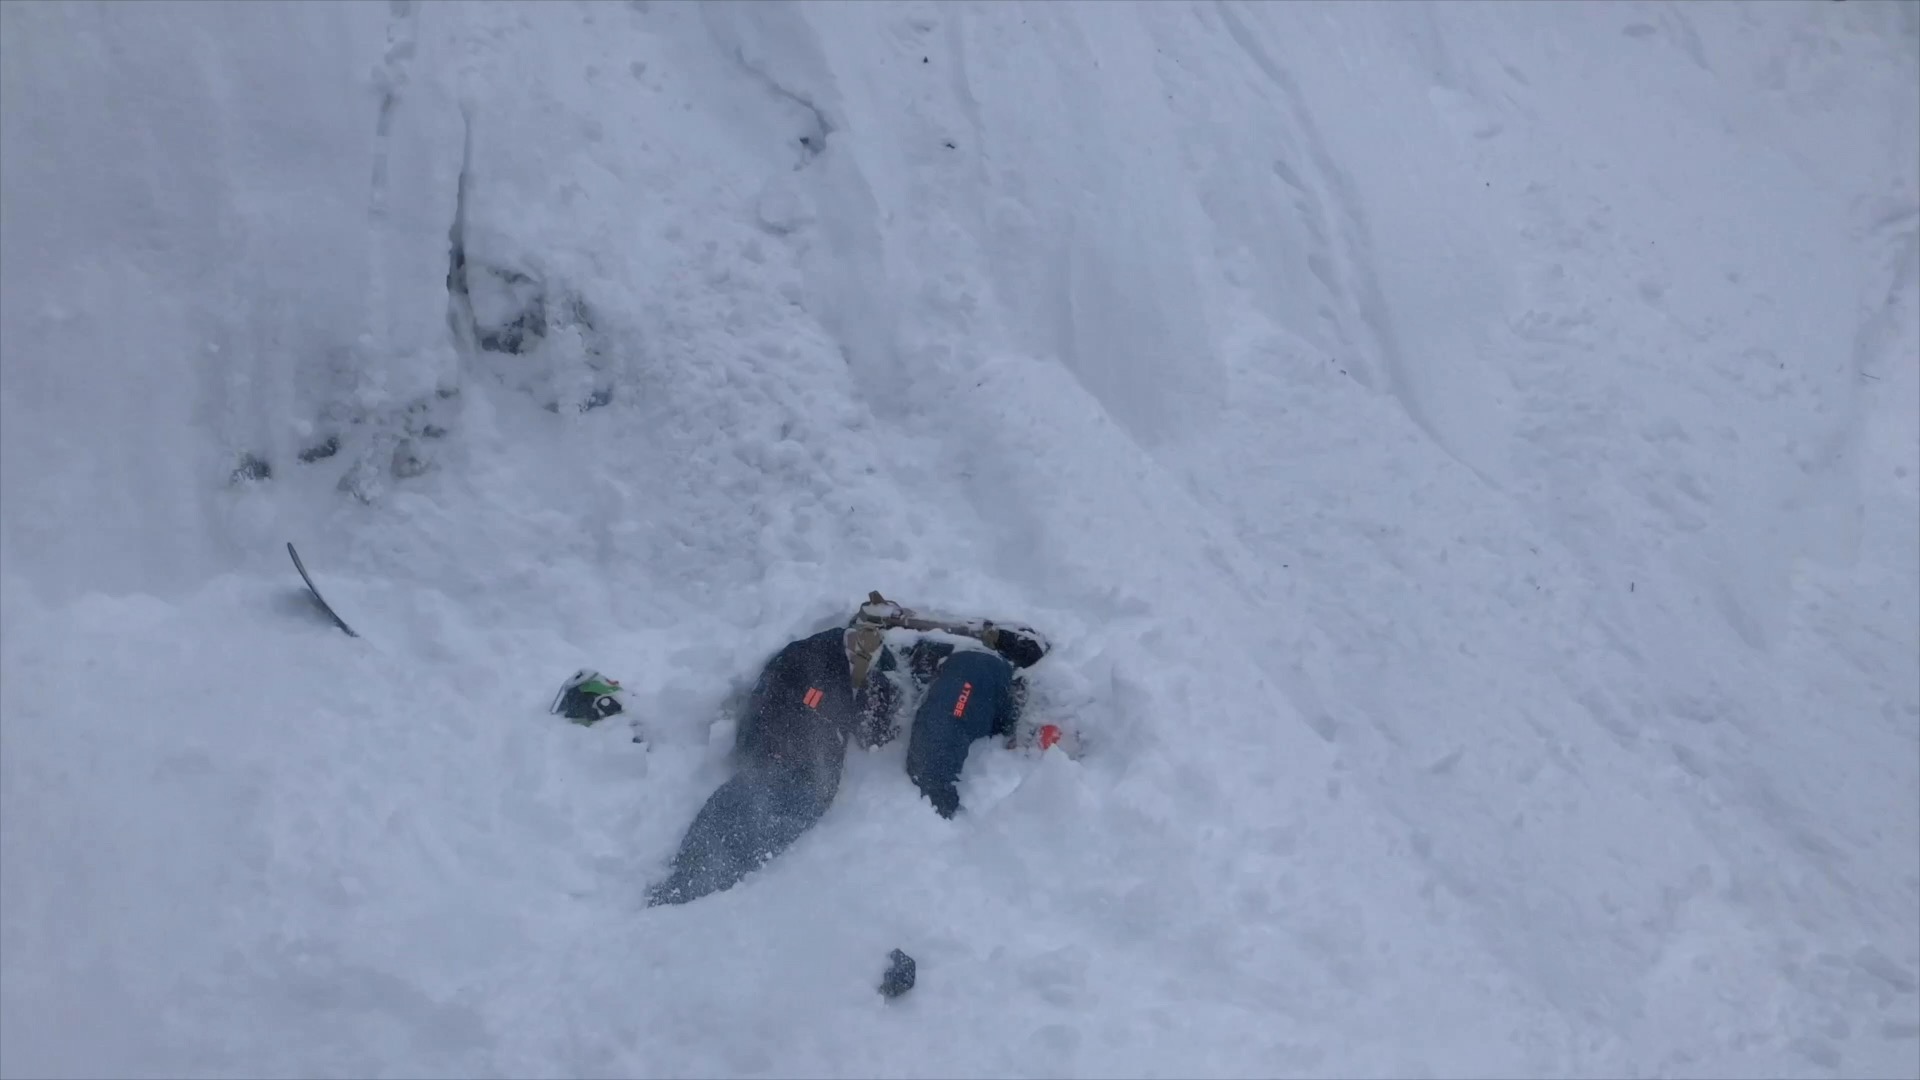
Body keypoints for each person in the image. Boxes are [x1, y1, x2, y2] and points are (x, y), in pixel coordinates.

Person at [644, 592, 1049, 906]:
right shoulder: (981, 669)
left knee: (791, 776)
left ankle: (689, 885)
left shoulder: (953, 660)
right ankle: (688, 886)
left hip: (800, 685)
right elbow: (937, 744)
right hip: (814, 680)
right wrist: (952, 827)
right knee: (798, 781)